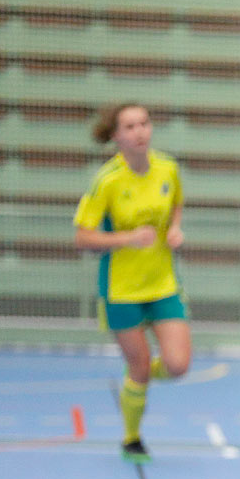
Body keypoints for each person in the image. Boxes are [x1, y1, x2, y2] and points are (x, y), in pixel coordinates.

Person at [73, 103, 191, 461]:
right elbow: (82, 237)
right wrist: (125, 239)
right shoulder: (107, 181)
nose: (140, 131)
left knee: (178, 366)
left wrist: (173, 229)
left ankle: (137, 374)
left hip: (162, 283)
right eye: (130, 126)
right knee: (139, 364)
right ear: (116, 137)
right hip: (121, 289)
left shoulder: (168, 168)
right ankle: (131, 437)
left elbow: (176, 204)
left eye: (144, 123)